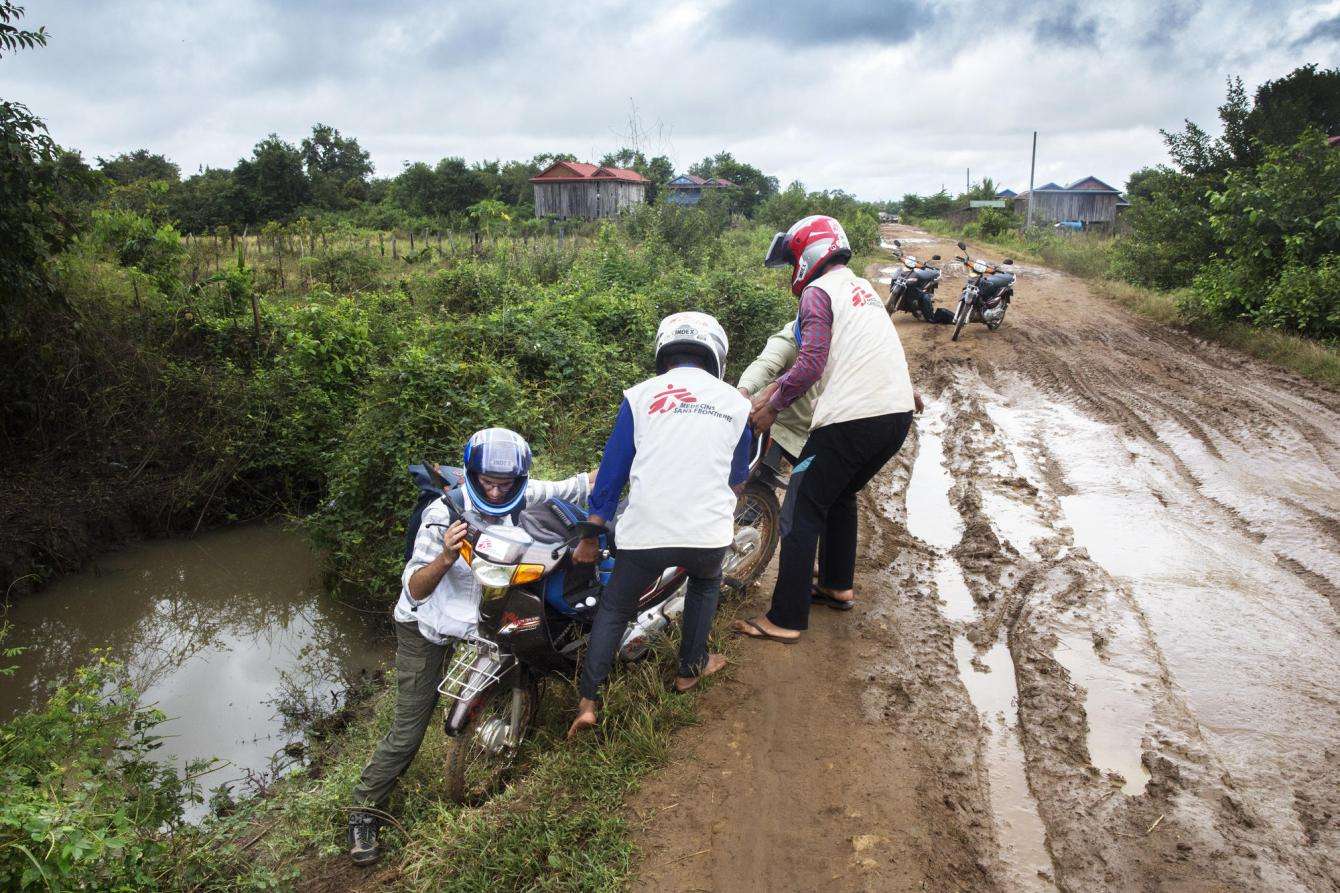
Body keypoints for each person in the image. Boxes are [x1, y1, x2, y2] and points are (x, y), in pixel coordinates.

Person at [348, 427, 593, 867]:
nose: (496, 491)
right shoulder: (443, 516)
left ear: (519, 481)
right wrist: (444, 556)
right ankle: (364, 813)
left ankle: (520, 714)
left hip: (480, 617)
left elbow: (577, 484)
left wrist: (632, 466)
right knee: (408, 732)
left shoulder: (523, 494)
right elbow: (416, 590)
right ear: (471, 474)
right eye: (487, 482)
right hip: (426, 626)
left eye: (506, 484)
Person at [733, 215, 918, 644]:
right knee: (839, 497)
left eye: (793, 259)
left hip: (851, 419)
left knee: (799, 512)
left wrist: (772, 406)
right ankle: (837, 584)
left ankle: (786, 618)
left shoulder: (818, 293)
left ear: (808, 254)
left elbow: (810, 362)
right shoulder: (864, 291)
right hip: (895, 417)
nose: (791, 272)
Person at [567, 312, 752, 738]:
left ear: (664, 351)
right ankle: (690, 669)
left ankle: (588, 702)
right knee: (707, 581)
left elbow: (612, 476)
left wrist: (592, 536)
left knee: (614, 608)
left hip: (644, 535)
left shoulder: (639, 397)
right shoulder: (737, 404)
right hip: (706, 536)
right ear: (716, 354)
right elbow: (737, 479)